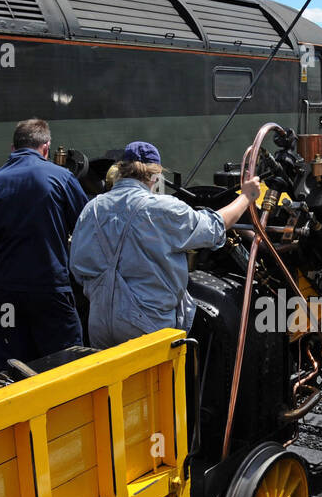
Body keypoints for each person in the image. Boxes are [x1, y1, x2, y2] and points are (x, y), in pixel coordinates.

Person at [69, 141, 258, 349]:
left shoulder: (92, 209)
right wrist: (246, 197)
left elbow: (78, 267)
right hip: (147, 325)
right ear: (155, 174)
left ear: (121, 170)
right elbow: (213, 227)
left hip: (100, 322)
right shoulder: (162, 208)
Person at [0, 118, 88, 367]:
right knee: (66, 360)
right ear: (46, 148)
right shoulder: (61, 177)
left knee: (12, 361)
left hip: (7, 292)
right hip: (50, 287)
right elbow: (84, 226)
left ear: (13, 148)